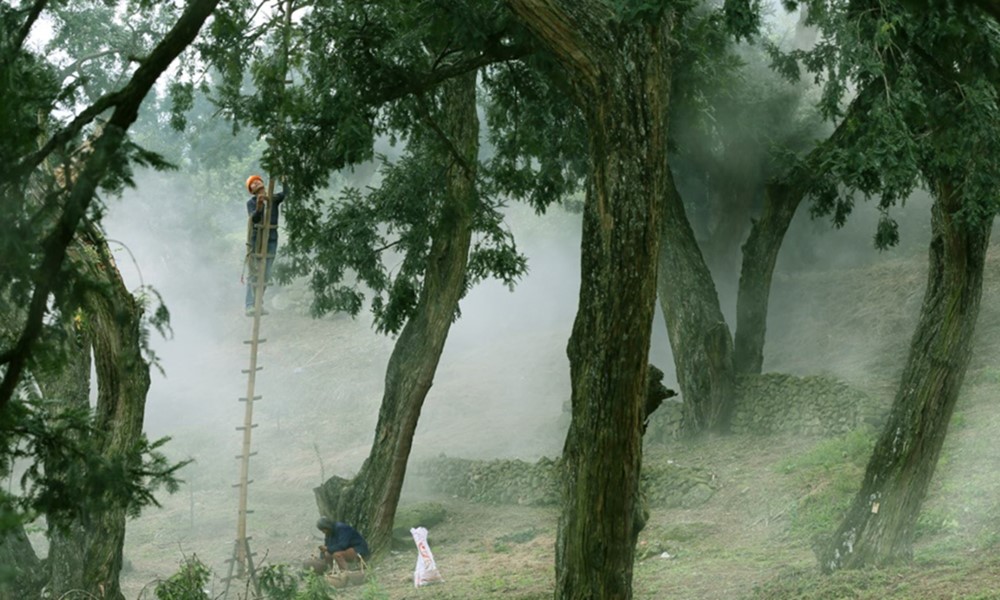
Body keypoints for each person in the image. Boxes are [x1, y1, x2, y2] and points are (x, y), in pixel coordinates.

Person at [244, 174, 287, 316]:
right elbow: (254, 219)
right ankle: (250, 305)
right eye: (252, 184)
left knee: (266, 272)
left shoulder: (273, 199)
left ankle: (258, 303)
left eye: (257, 181)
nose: (255, 183)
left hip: (272, 236)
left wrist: (284, 181)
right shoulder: (251, 202)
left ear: (262, 183)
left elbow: (286, 194)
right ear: (251, 190)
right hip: (258, 238)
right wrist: (259, 206)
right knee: (255, 272)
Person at [304, 517, 371, 574]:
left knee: (337, 554)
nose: (323, 532)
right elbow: (327, 546)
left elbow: (343, 546)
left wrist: (327, 548)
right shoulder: (329, 533)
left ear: (327, 526)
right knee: (327, 554)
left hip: (358, 549)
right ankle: (332, 571)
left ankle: (345, 574)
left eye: (323, 530)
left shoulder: (342, 528)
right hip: (347, 550)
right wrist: (321, 557)